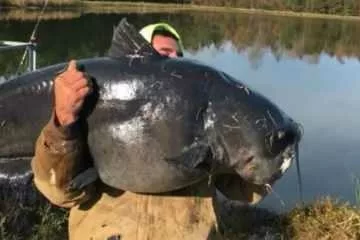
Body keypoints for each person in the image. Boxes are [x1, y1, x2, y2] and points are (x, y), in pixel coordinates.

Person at [31, 22, 222, 239]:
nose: (174, 62)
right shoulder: (88, 108)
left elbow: (246, 186)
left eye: (179, 56)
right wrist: (64, 122)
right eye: (164, 54)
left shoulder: (205, 124)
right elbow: (59, 193)